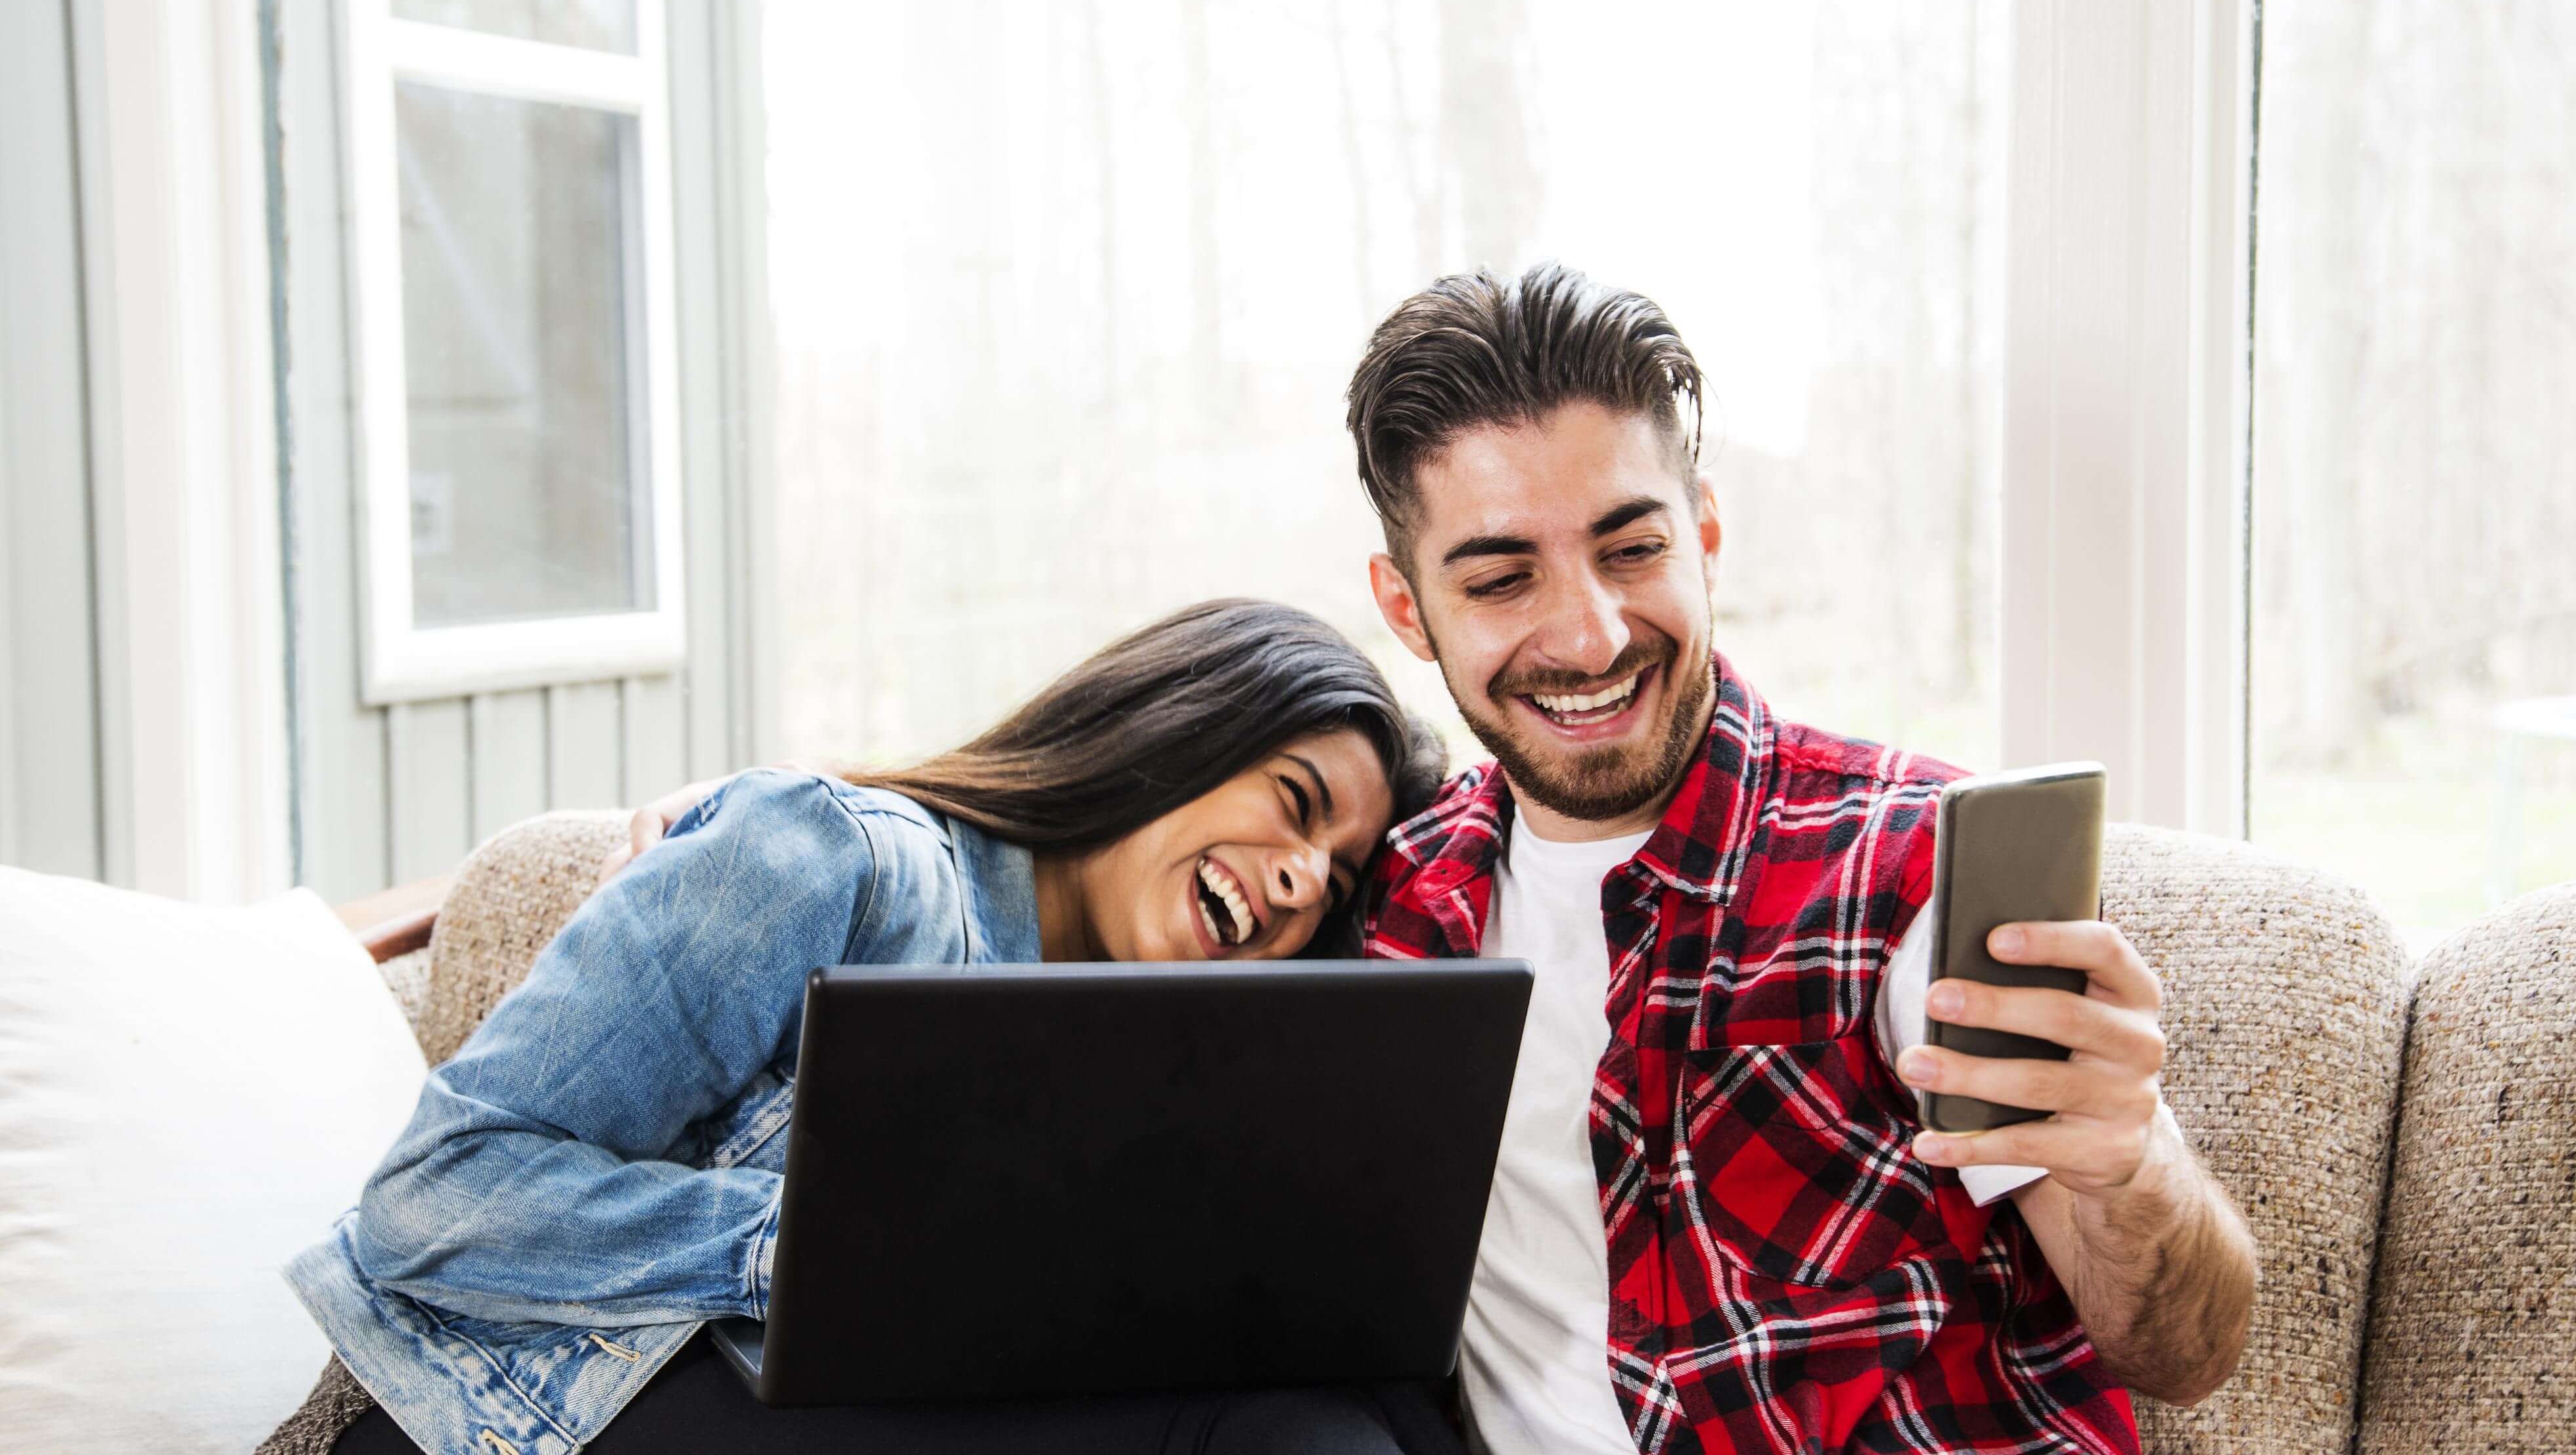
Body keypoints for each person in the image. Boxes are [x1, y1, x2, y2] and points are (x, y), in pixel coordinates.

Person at [608, 266, 2261, 1454]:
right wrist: (757, 829)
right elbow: (1094, 853)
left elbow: (2180, 1350)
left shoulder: (1908, 868)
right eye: (1500, 576)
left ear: (1705, 530)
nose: (1589, 630)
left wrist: (2126, 1166)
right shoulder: (1376, 890)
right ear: (1405, 609)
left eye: (1630, 546)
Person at [285, 600, 1462, 1455]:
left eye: (1335, 877)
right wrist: (844, 1252)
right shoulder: (830, 856)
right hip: (543, 1414)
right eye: (1296, 806)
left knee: (1384, 1403)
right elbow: (431, 1197)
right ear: (1178, 731)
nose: (1305, 881)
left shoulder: (1164, 1063)